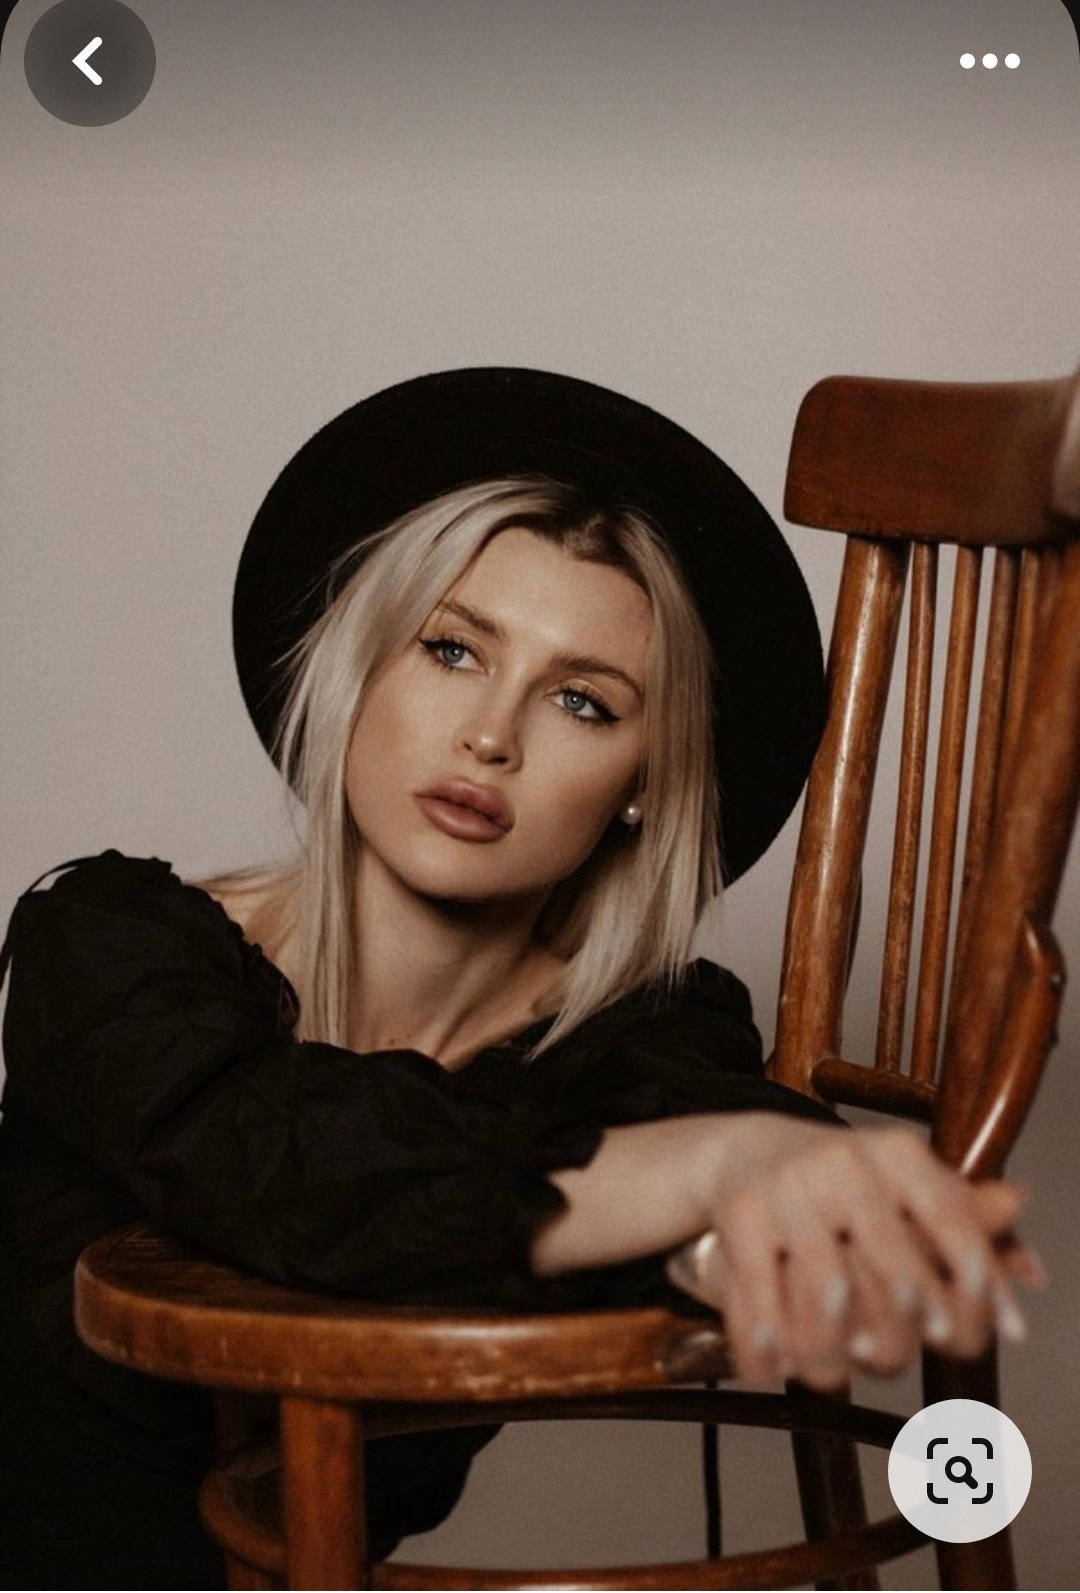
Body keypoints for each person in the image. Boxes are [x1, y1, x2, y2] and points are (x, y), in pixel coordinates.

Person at [0, 369, 1042, 1588]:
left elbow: (744, 1157)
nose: (492, 735)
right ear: (360, 669)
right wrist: (707, 1172)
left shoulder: (641, 1047)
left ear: (643, 782)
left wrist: (753, 1196)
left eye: (583, 703)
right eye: (452, 650)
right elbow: (285, 1164)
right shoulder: (110, 945)